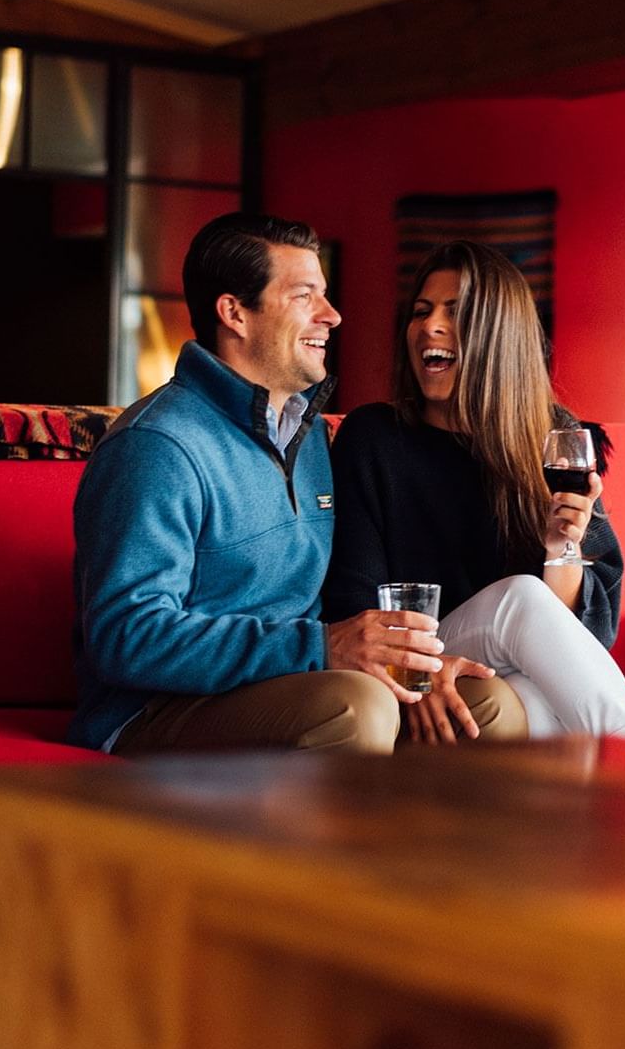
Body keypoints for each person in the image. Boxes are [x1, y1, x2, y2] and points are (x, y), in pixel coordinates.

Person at [69, 213, 528, 755]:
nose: (332, 316)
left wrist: (405, 659)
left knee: (485, 706)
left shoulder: (305, 435)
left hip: (291, 680)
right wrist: (319, 646)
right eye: (304, 296)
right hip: (157, 708)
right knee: (356, 710)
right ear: (234, 313)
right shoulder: (158, 445)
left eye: (325, 296)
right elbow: (127, 637)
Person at [323, 240, 625, 744]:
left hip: (496, 666)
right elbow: (353, 596)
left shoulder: (553, 438)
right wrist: (419, 667)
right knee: (521, 598)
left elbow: (584, 641)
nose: (430, 326)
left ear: (500, 337)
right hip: (412, 644)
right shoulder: (373, 437)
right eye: (421, 311)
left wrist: (562, 547)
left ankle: (606, 802)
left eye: (454, 313)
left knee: (545, 700)